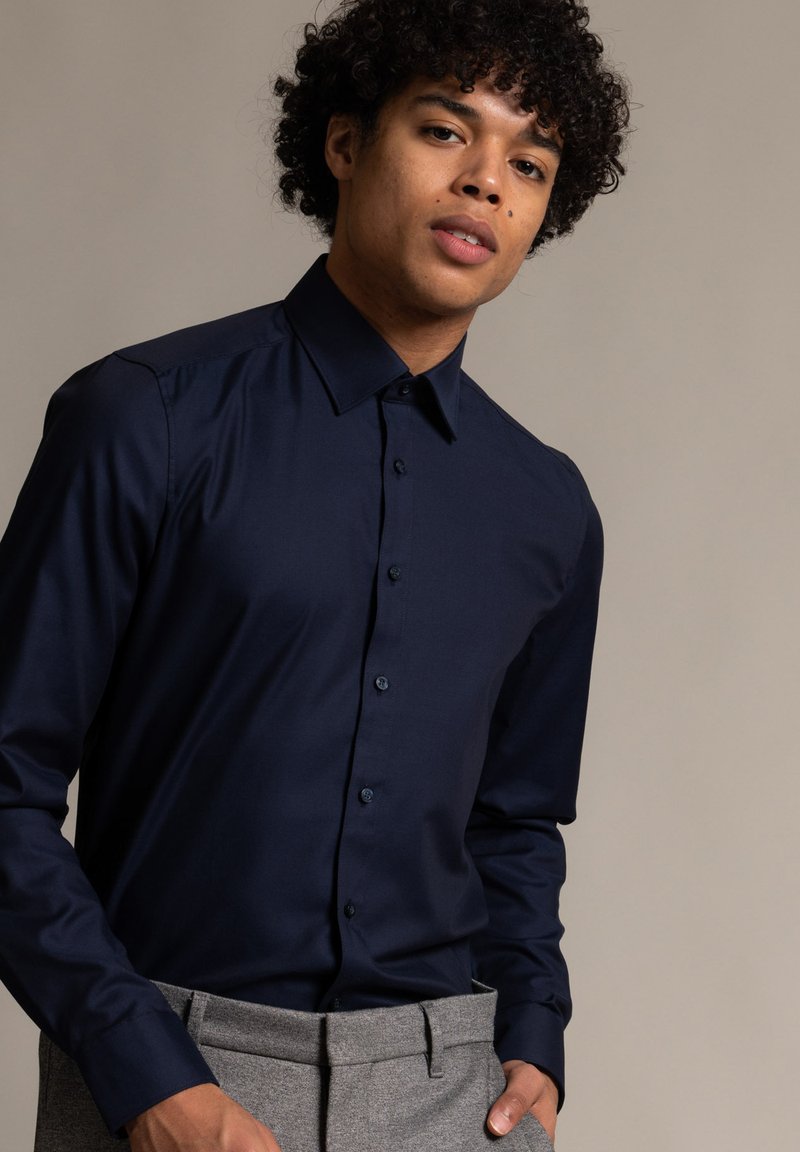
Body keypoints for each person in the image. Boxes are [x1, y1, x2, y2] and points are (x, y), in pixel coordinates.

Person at [0, 1, 629, 1149]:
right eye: (445, 131)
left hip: (451, 1092)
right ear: (344, 143)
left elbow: (514, 820)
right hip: (176, 1080)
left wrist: (533, 1033)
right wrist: (146, 1074)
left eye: (528, 163)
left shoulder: (546, 507)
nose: (486, 182)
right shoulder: (144, 420)